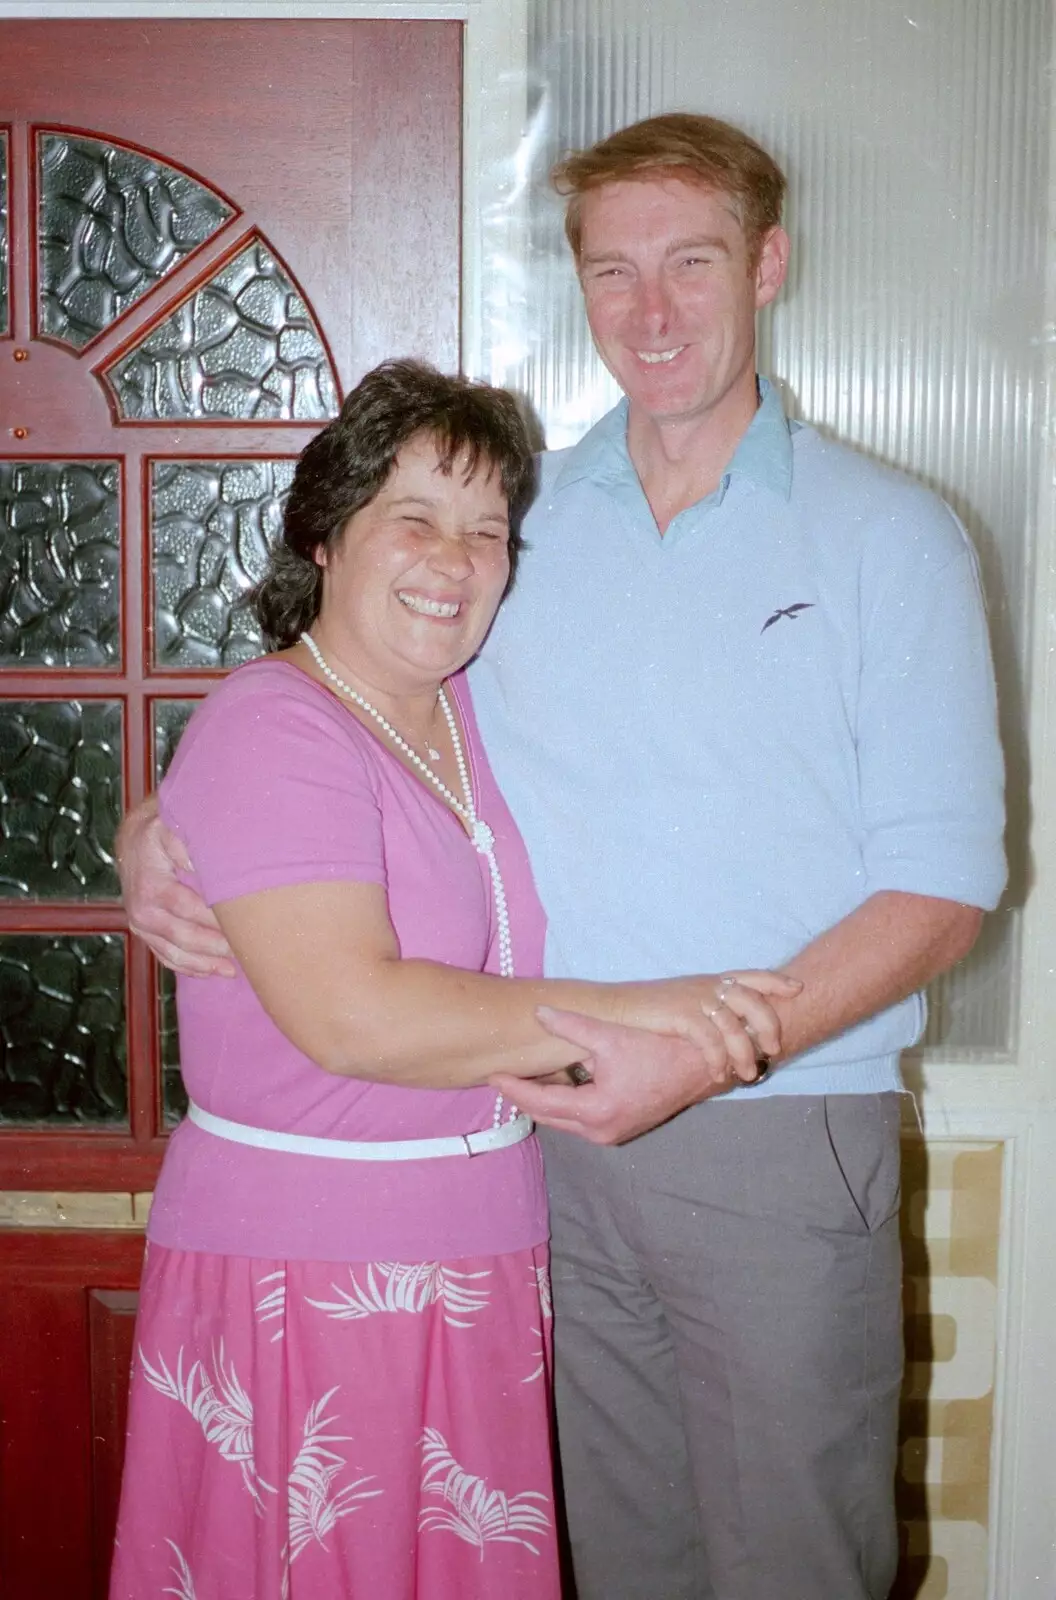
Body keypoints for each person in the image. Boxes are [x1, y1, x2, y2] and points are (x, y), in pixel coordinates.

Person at [119, 116, 1006, 1600]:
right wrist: (155, 821)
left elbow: (944, 887)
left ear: (770, 267)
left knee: (793, 1555)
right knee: (606, 1555)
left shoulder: (891, 537)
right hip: (531, 1151)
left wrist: (717, 1047)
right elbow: (345, 702)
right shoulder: (528, 528)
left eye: (691, 263)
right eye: (613, 272)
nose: (650, 313)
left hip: (776, 1127)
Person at [110, 357, 794, 1600]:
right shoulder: (277, 720)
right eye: (412, 519)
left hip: (482, 1251)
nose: (455, 559)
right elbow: (354, 1015)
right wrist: (663, 1009)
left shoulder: (468, 710)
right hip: (305, 1268)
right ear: (324, 534)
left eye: (488, 532)